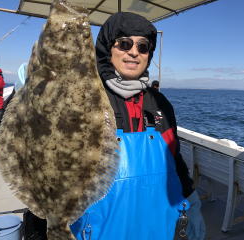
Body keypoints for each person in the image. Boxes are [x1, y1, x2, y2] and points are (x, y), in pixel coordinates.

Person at [70, 12, 205, 240]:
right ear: (107, 48)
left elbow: (175, 158)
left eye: (143, 47)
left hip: (161, 226)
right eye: (124, 44)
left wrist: (192, 201)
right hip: (100, 227)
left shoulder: (159, 103)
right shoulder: (81, 99)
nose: (134, 52)